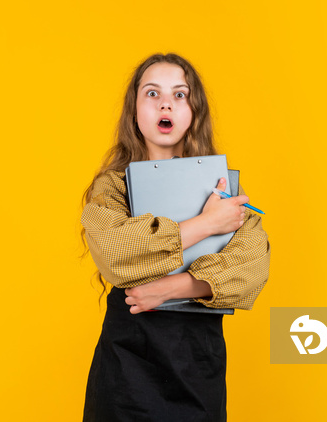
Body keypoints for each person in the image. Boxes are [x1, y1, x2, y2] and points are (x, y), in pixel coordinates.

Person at [80, 53, 271, 422]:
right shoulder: (112, 187)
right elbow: (115, 252)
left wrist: (170, 289)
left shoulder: (222, 187)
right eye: (152, 94)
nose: (166, 102)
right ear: (134, 111)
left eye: (179, 95)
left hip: (197, 364)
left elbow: (252, 265)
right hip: (127, 364)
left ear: (193, 112)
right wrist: (207, 224)